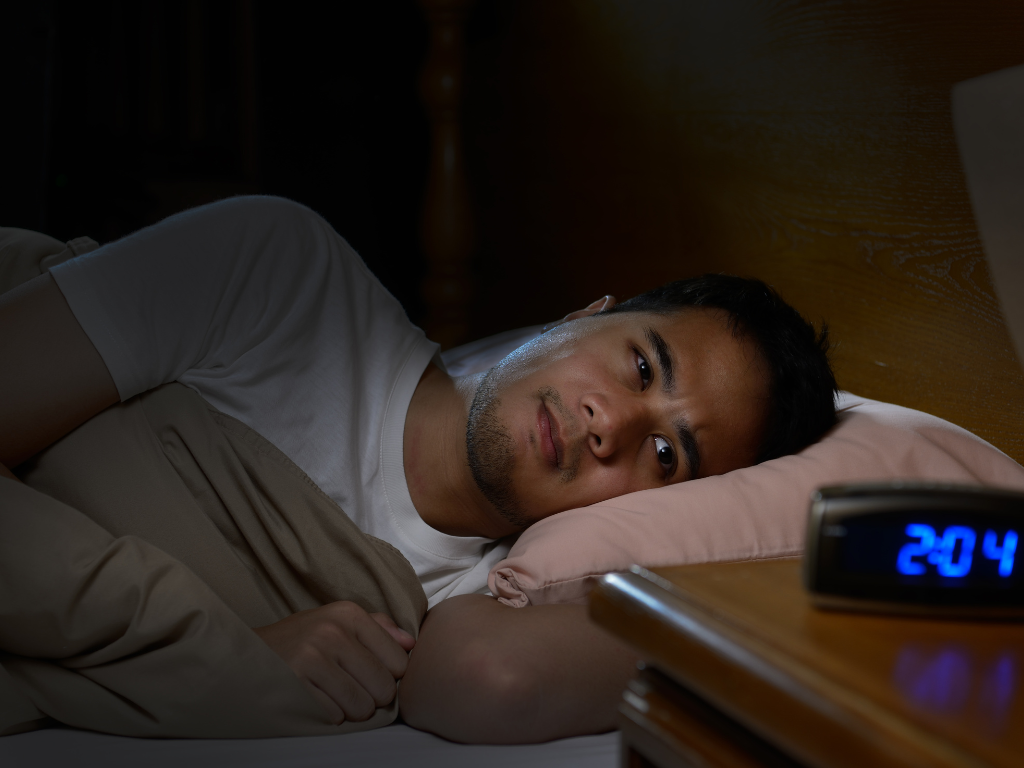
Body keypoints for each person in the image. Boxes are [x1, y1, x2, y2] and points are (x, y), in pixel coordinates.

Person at [0, 196, 836, 742]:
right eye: (642, 368)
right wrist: (213, 644)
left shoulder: (469, 606)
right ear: (587, 315)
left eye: (666, 456)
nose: (610, 422)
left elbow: (486, 680)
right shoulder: (282, 279)